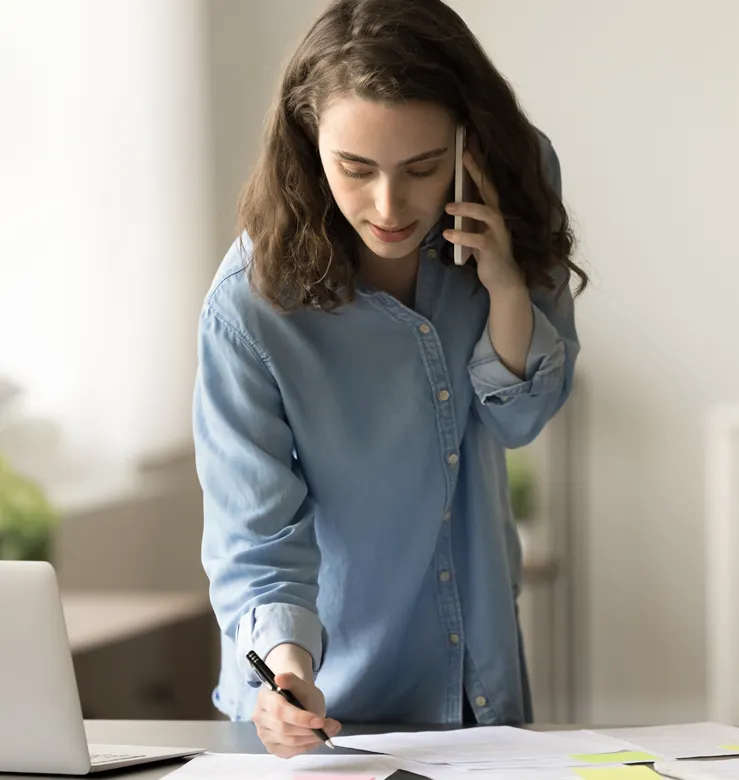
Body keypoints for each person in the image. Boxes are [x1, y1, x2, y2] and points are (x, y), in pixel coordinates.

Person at [193, 0, 587, 758]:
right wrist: (286, 675)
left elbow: (520, 418)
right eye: (355, 168)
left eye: (423, 168)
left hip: (478, 690)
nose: (388, 205)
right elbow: (257, 540)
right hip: (323, 709)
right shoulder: (249, 307)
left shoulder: (517, 191)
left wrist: (506, 288)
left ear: (468, 144)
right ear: (309, 142)